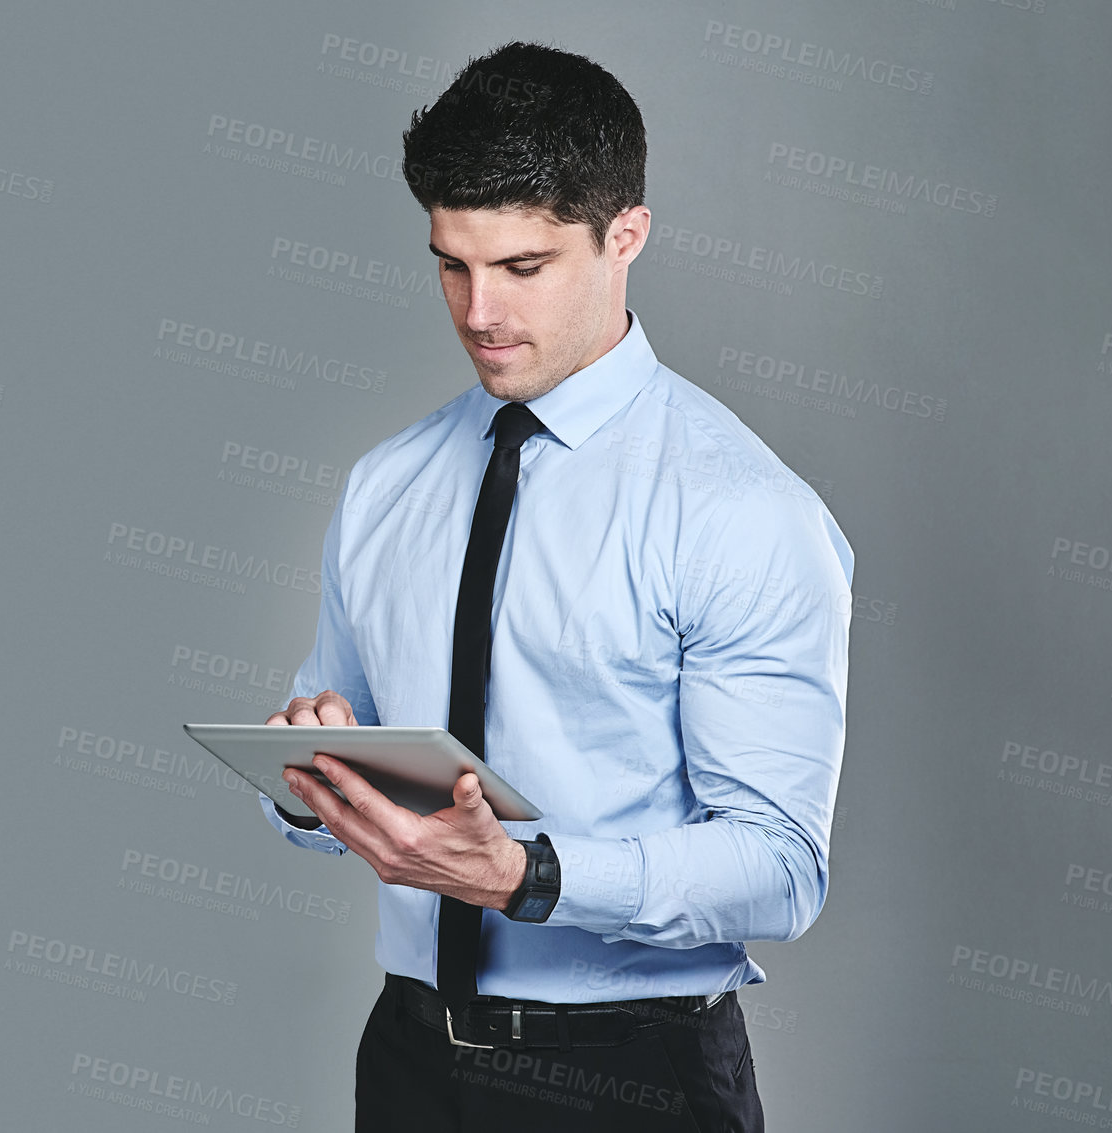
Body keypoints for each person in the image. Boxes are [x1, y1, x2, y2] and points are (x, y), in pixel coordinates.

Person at [258, 42, 853, 1131]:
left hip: (630, 1077)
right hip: (407, 1052)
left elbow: (777, 866)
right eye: (450, 262)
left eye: (522, 267)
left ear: (624, 234)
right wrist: (309, 778)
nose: (477, 311)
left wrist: (528, 874)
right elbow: (326, 745)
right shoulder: (386, 482)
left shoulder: (740, 510)